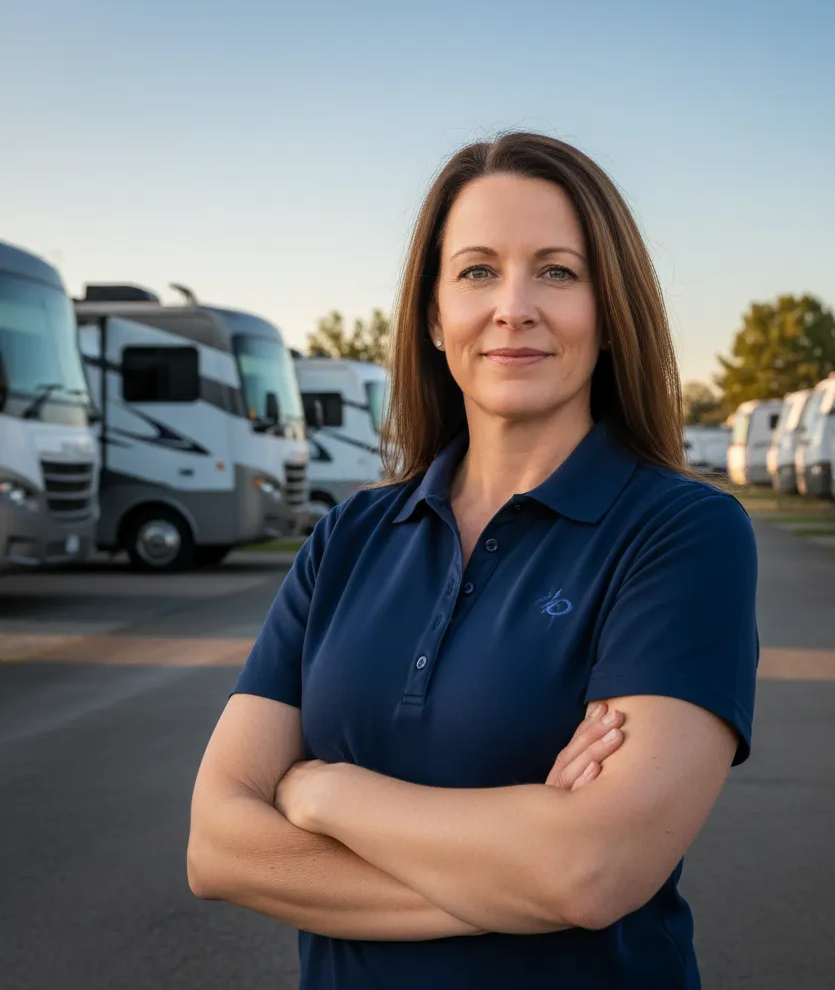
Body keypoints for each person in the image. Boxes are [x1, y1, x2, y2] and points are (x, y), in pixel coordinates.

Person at [187, 131, 759, 988]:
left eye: (558, 271)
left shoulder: (684, 532)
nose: (514, 306)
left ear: (611, 315)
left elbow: (594, 870)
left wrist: (323, 794)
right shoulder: (347, 538)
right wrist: (520, 871)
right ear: (432, 314)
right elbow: (217, 846)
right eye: (478, 270)